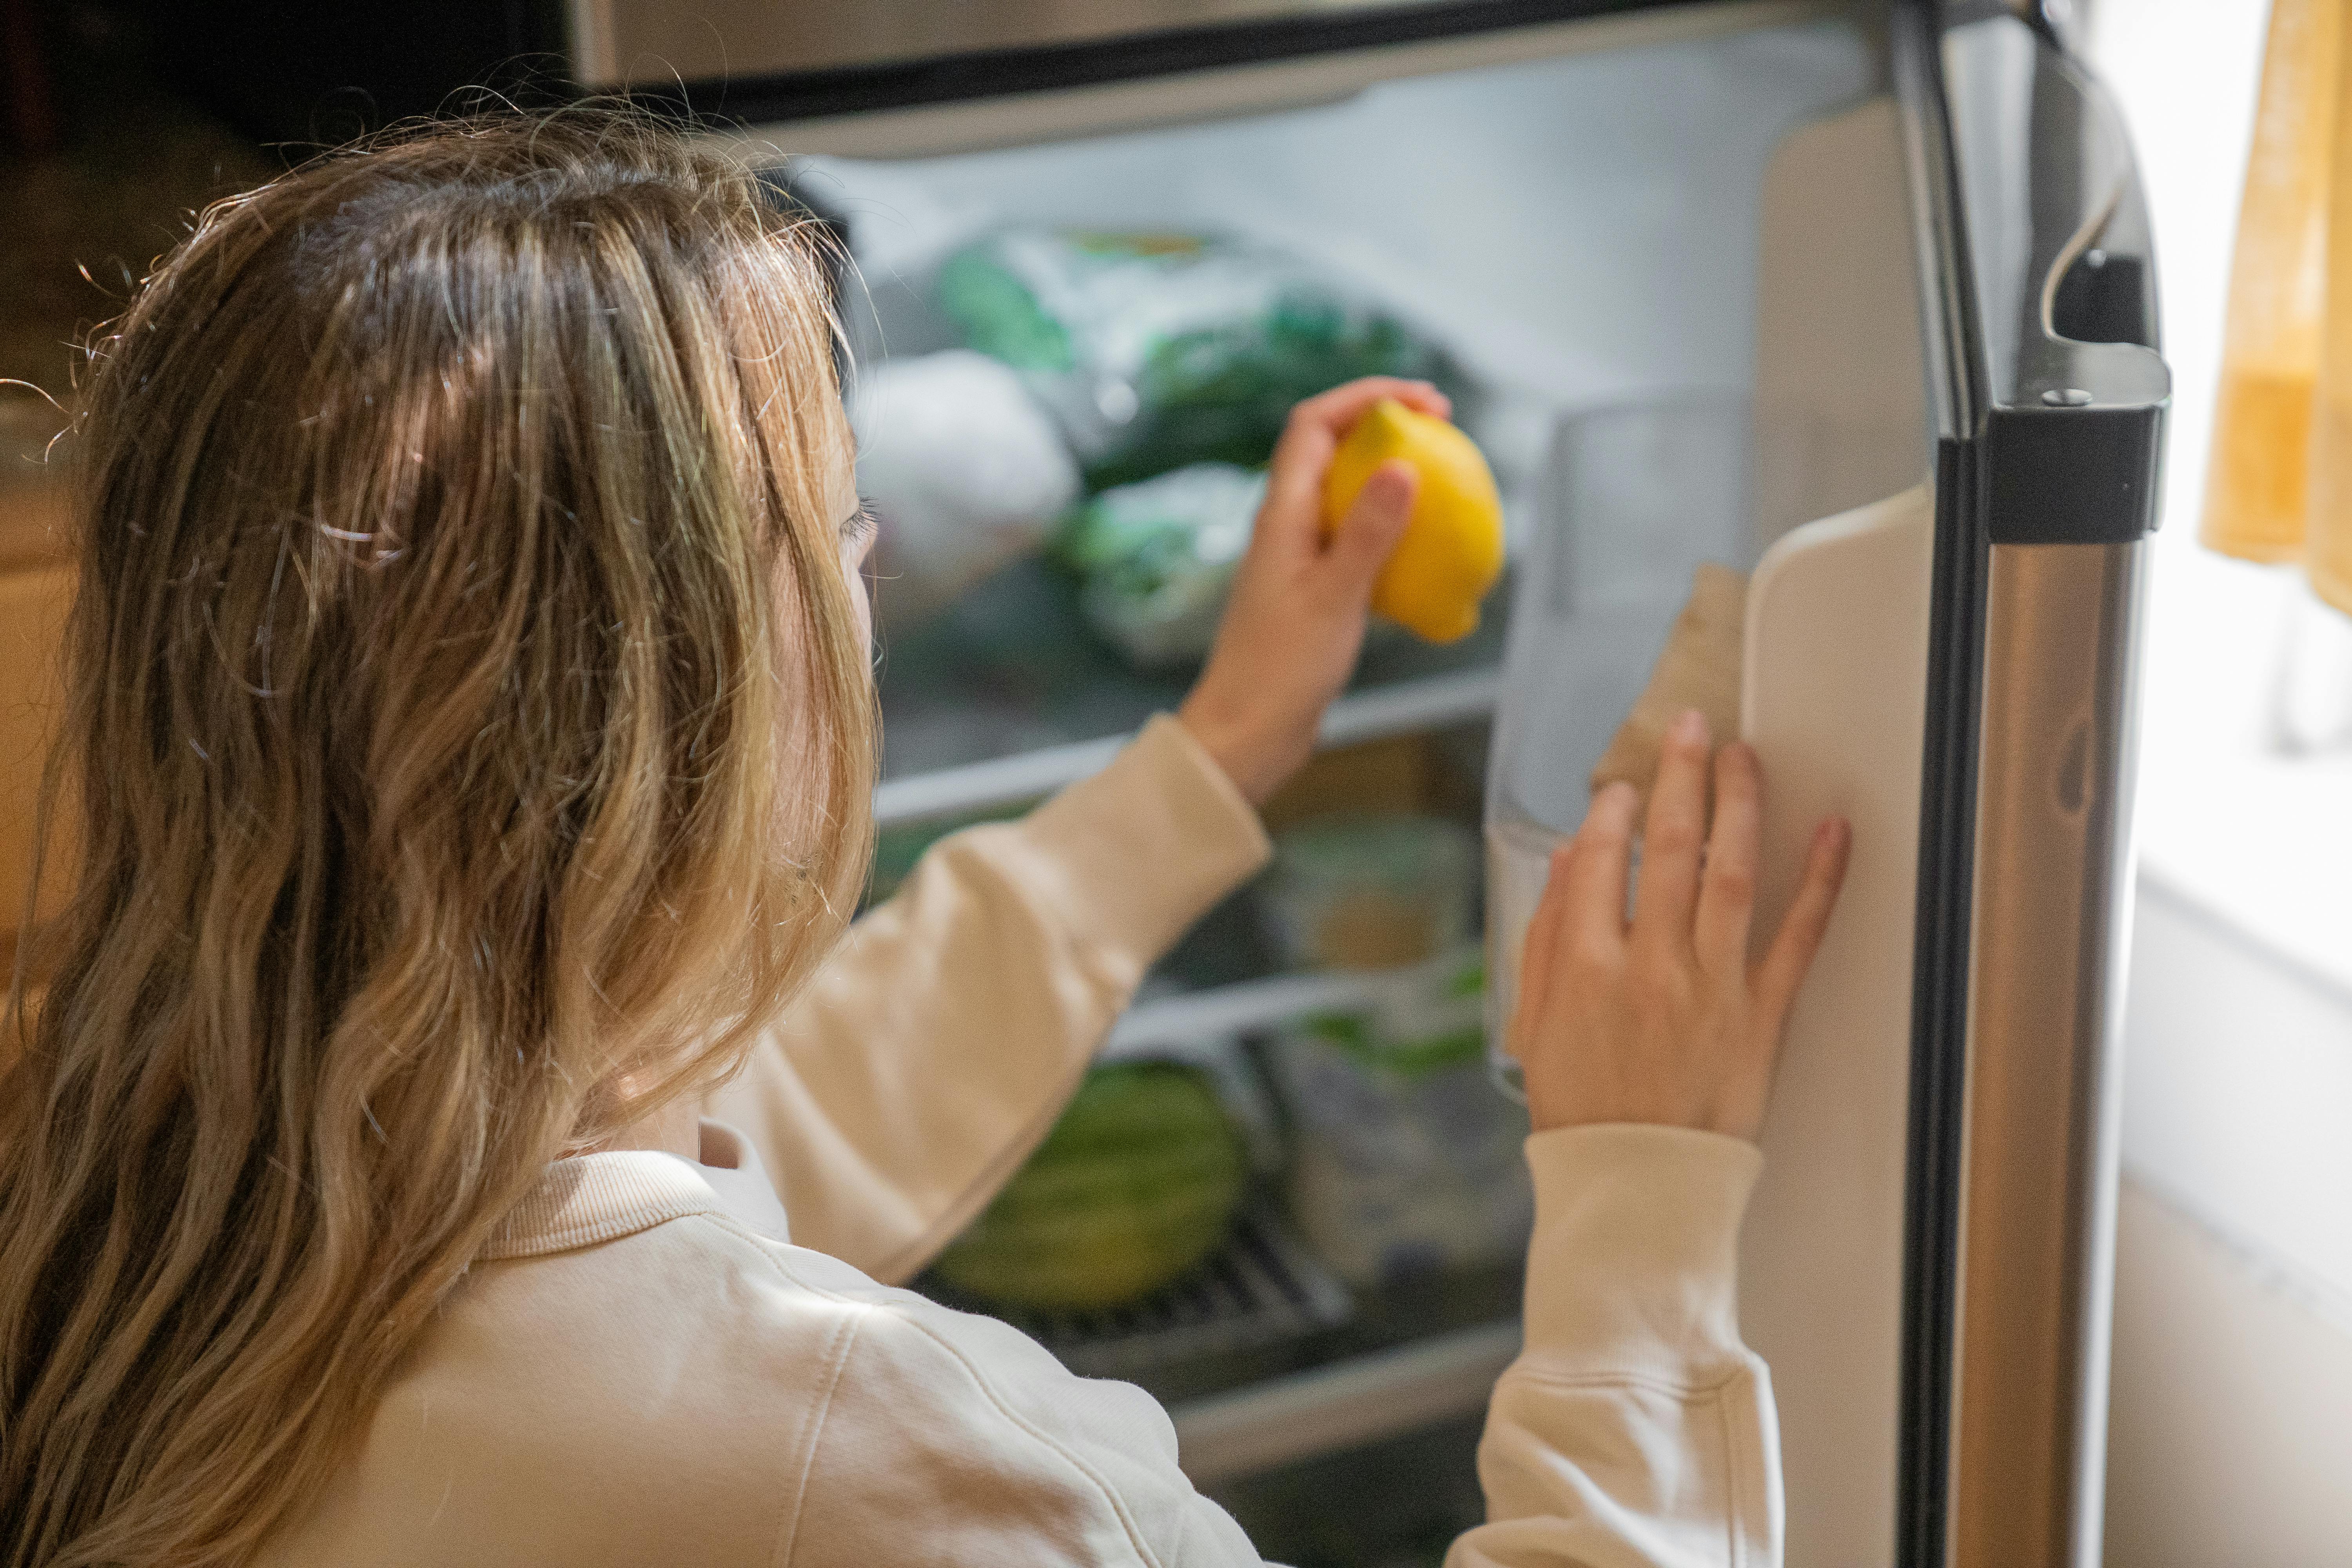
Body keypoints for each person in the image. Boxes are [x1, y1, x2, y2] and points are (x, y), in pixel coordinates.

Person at [0, 113, 1849, 1568]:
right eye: (841, 540)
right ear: (680, 720)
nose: (870, 583)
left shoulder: (129, 1169)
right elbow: (733, 1346)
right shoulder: (923, 1478)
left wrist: (1217, 752)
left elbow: (743, 1163)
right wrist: (1642, 1207)